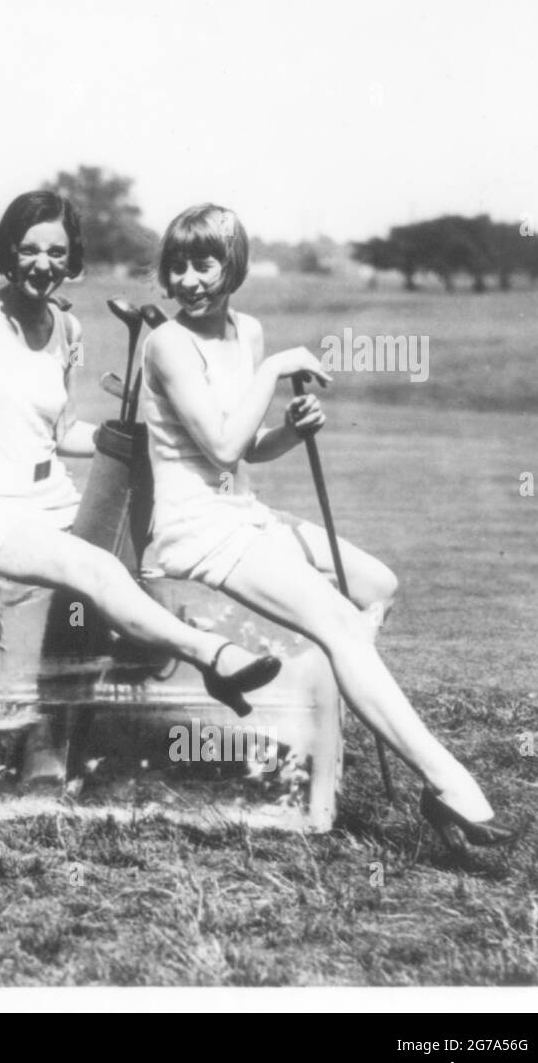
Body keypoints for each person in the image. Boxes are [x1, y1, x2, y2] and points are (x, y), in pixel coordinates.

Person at [138, 201, 515, 851]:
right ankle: (448, 785)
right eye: (179, 265)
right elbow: (220, 449)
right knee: (341, 624)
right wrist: (272, 372)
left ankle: (339, 679)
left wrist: (289, 429)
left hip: (242, 514)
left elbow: (248, 448)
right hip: (193, 530)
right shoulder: (167, 343)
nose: (192, 278)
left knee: (377, 586)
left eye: (205, 262)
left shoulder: (247, 331)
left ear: (234, 265)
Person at [0, 190, 281, 724]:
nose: (43, 265)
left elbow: (63, 434)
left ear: (71, 258)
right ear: (9, 250)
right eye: (30, 249)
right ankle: (211, 655)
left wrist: (142, 437)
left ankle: (76, 729)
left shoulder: (68, 329)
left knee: (130, 571)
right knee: (95, 569)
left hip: (53, 498)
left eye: (57, 253)